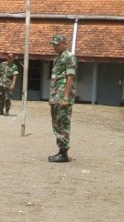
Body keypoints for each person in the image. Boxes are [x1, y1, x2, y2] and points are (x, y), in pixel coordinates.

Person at [47, 34, 77, 163]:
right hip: (56, 95)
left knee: (63, 123)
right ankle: (61, 151)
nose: (54, 46)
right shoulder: (57, 58)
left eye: (57, 44)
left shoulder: (69, 57)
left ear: (65, 44)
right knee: (56, 123)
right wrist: (52, 96)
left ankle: (64, 153)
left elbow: (70, 77)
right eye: (53, 44)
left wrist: (65, 97)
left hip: (63, 96)